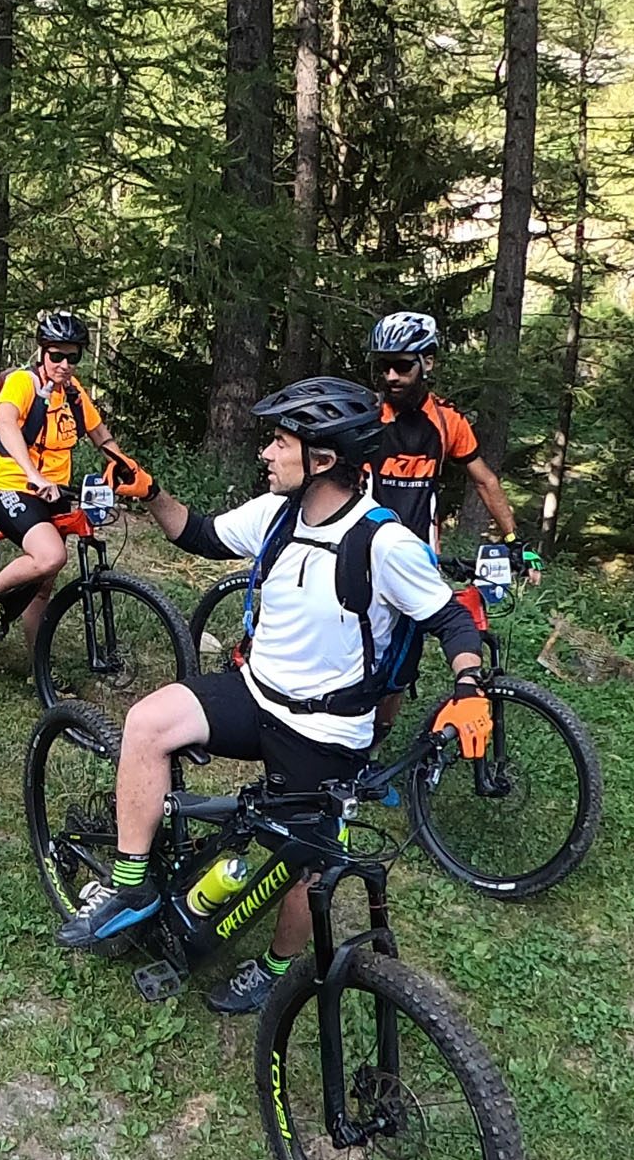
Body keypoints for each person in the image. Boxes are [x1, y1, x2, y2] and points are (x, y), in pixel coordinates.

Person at [53, 377, 493, 1014]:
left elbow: (451, 618)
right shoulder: (276, 513)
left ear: (323, 459)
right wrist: (149, 492)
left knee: (304, 863)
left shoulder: (383, 542)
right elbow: (199, 534)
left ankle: (276, 967)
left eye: (281, 442)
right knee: (147, 722)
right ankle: (131, 886)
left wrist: (468, 687)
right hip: (256, 694)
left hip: (326, 729)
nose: (266, 452)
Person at [366, 310, 535, 742]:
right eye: (383, 366)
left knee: (403, 661)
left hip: (416, 555)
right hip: (362, 549)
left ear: (428, 362)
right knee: (357, 648)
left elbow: (485, 480)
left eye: (401, 366)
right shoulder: (366, 416)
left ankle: (373, 746)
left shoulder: (447, 422)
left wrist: (515, 540)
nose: (390, 376)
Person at [0, 310, 142, 645]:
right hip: (13, 486)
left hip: (54, 493)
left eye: (72, 357)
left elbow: (101, 436)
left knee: (43, 585)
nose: (64, 364)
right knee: (51, 557)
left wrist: (126, 468)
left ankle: (38, 664)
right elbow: (5, 423)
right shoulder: (23, 383)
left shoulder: (73, 393)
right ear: (42, 352)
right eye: (56, 356)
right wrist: (33, 475)